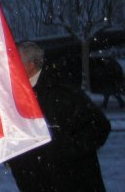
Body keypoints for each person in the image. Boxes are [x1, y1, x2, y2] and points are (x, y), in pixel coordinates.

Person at [7, 41, 111, 192]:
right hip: (35, 183)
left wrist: (60, 151)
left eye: (13, 61)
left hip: (71, 182)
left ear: (30, 65)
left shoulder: (61, 90)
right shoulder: (14, 94)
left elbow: (99, 126)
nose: (9, 66)